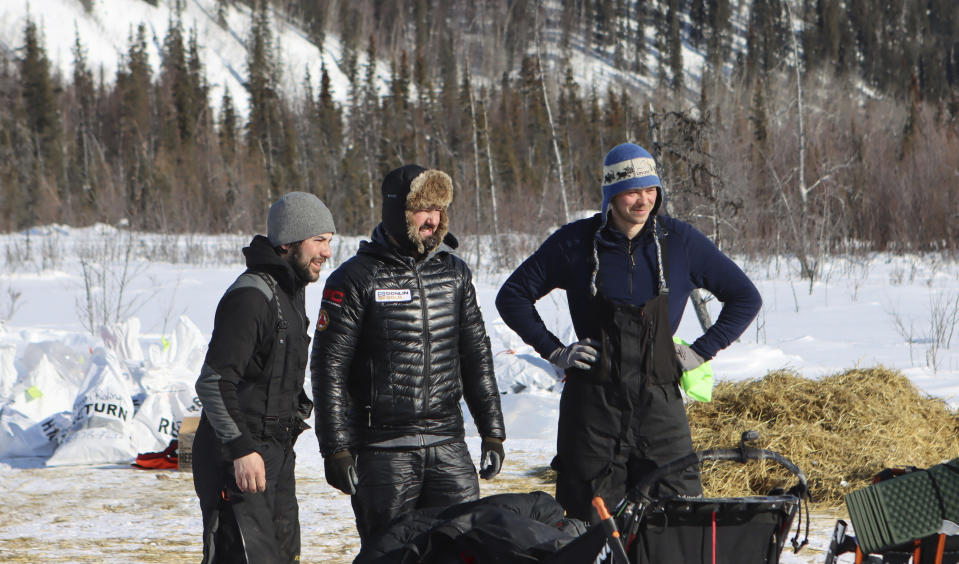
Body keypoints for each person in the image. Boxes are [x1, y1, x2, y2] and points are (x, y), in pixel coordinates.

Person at [495, 142, 762, 521]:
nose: (644, 200)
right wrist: (554, 351)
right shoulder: (575, 243)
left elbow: (744, 297)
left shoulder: (679, 242)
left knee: (675, 518)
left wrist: (702, 350)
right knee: (588, 523)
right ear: (611, 195)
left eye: (651, 189)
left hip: (660, 408)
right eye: (633, 191)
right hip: (592, 410)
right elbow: (513, 296)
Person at [311, 164, 506, 545]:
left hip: (448, 445)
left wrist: (493, 432)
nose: (432, 219)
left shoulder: (455, 275)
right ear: (398, 213)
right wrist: (334, 448)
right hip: (383, 452)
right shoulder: (356, 278)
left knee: (463, 547)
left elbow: (476, 358)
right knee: (391, 552)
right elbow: (329, 367)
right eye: (423, 209)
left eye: (438, 209)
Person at [192, 192, 336, 563]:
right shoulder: (252, 297)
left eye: (330, 242)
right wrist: (241, 450)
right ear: (289, 242)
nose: (327, 252)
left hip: (274, 456)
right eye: (319, 240)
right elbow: (213, 382)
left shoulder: (290, 291)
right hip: (237, 459)